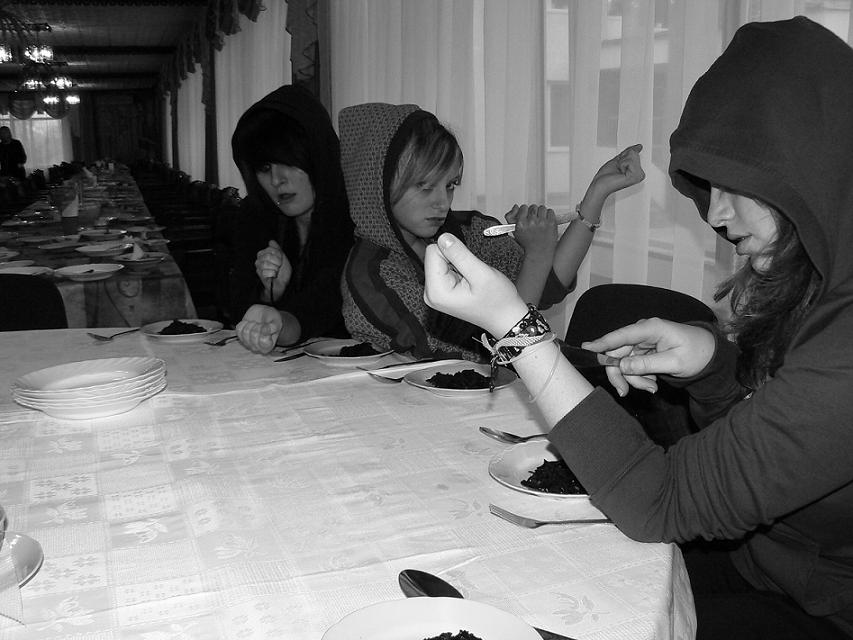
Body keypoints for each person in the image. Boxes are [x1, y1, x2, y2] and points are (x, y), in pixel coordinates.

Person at [422, 16, 853, 640]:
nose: (717, 213)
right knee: (537, 588)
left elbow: (658, 499)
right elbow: (763, 449)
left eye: (736, 185)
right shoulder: (818, 280)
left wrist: (517, 332)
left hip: (822, 610)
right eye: (710, 186)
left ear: (808, 163)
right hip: (759, 564)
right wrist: (715, 366)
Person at [339, 101, 643, 361]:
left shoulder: (467, 232)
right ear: (376, 184)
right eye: (424, 186)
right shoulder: (373, 276)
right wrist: (537, 254)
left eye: (450, 185)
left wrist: (597, 193)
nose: (442, 202)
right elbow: (503, 353)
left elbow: (546, 285)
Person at [230, 85, 353, 353]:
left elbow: (329, 300)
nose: (277, 180)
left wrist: (282, 323)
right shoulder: (255, 215)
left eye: (287, 161)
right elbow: (237, 308)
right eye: (265, 167)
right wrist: (270, 292)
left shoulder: (356, 216)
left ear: (317, 155)